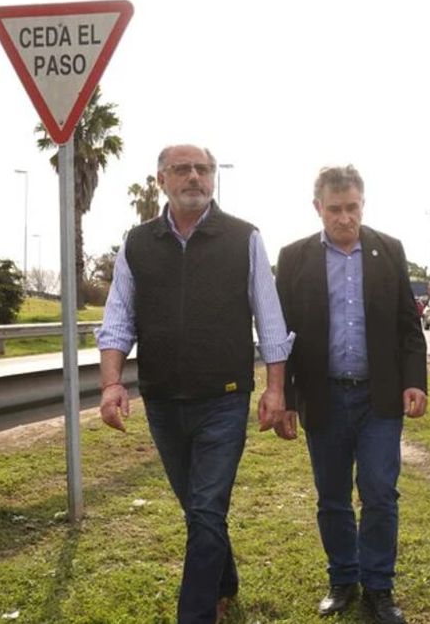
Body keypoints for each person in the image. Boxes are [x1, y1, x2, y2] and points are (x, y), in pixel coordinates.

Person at [96, 144, 295, 624]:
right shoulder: (138, 242)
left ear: (213, 178)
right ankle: (223, 581)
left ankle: (197, 613)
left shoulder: (244, 238)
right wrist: (110, 384)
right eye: (182, 169)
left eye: (203, 169)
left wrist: (275, 389)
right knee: (198, 507)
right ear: (161, 179)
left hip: (224, 400)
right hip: (162, 400)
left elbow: (270, 320)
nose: (194, 177)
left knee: (206, 507)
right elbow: (117, 318)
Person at [275, 165, 427, 624]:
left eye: (353, 208)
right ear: (318, 207)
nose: (345, 218)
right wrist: (284, 398)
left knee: (380, 492)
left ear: (364, 204)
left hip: (378, 398)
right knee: (333, 496)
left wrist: (414, 380)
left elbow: (409, 326)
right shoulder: (294, 258)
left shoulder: (389, 250)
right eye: (335, 209)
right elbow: (282, 335)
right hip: (324, 399)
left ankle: (379, 587)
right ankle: (343, 578)